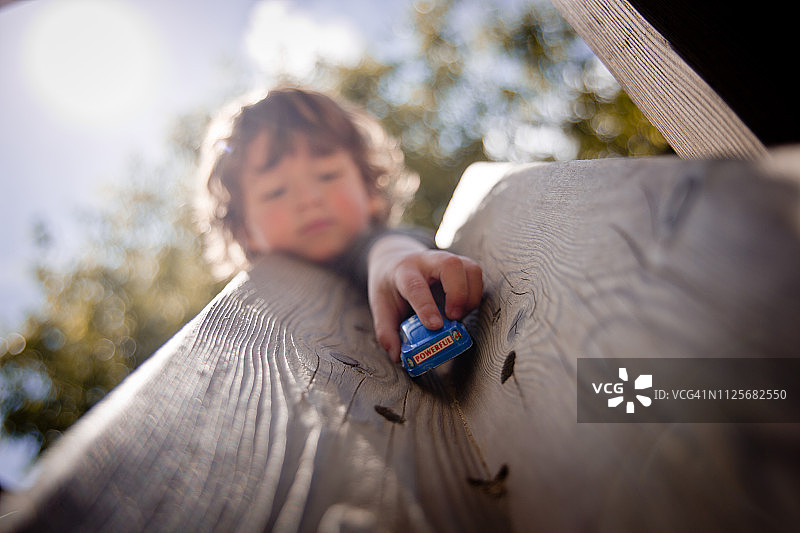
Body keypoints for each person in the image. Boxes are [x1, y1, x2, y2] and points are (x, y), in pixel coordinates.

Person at [196, 86, 482, 362]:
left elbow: (385, 248)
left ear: (370, 190)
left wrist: (396, 262)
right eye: (276, 192)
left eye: (328, 175)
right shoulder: (255, 305)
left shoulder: (374, 246)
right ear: (245, 230)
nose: (309, 199)